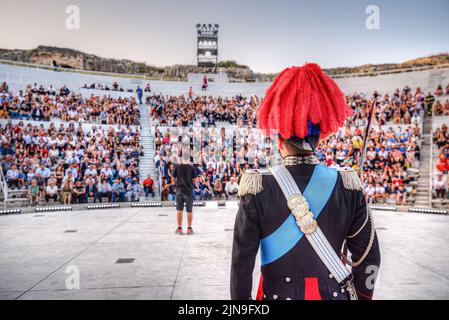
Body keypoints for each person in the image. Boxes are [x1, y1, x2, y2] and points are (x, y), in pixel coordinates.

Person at [231, 63, 381, 300]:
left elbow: (241, 264)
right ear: (320, 137)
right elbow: (369, 259)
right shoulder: (347, 185)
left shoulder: (257, 187)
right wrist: (363, 296)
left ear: (279, 138)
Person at [173, 159, 196, 235]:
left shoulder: (178, 167)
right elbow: (195, 180)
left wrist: (177, 182)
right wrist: (190, 181)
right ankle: (189, 229)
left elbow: (173, 178)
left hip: (180, 191)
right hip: (189, 191)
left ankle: (179, 229)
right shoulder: (192, 168)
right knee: (189, 210)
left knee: (179, 210)